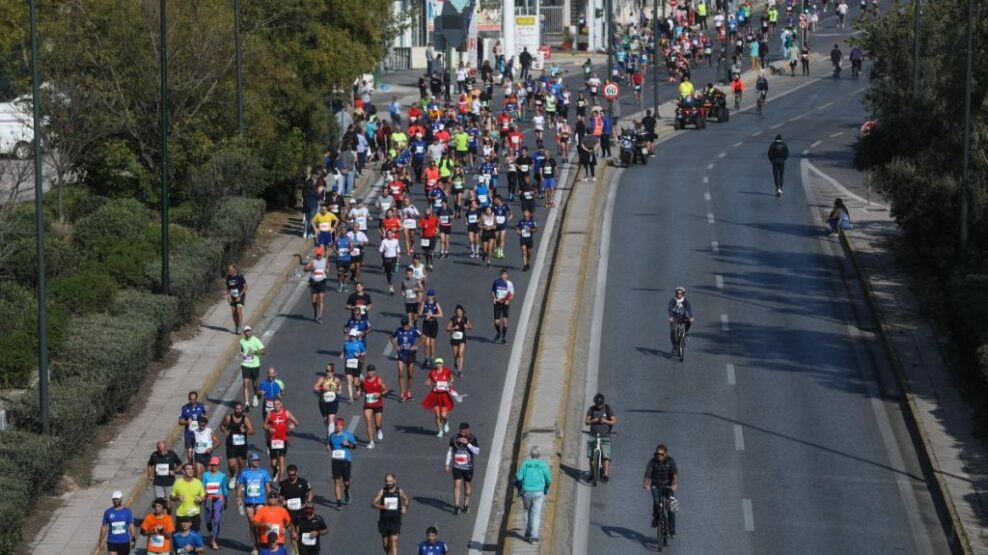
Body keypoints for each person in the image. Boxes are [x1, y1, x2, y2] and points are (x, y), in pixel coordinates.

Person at [515, 445, 551, 544]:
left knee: (527, 511)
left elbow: (519, 477)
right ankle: (534, 536)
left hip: (526, 492)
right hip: (539, 492)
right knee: (536, 514)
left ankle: (527, 533)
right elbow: (548, 479)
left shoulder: (525, 463)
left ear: (531, 454)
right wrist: (546, 487)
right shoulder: (543, 464)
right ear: (539, 454)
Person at [237, 452, 273, 553]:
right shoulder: (244, 473)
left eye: (258, 460)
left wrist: (270, 500)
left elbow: (267, 487)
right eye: (254, 460)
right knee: (252, 524)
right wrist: (238, 498)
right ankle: (255, 546)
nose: (256, 462)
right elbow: (240, 487)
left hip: (260, 501)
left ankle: (263, 543)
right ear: (250, 461)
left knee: (260, 524)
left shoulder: (263, 472)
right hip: (248, 502)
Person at [643, 444, 679, 536]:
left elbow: (674, 474)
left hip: (668, 486)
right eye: (658, 454)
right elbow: (647, 474)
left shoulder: (670, 461)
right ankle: (656, 518)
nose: (659, 455)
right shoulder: (652, 462)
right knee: (656, 502)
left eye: (662, 454)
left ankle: (672, 530)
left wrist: (674, 484)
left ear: (665, 454)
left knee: (671, 507)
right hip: (656, 485)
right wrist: (646, 484)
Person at [445, 422, 480, 514]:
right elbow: (450, 451)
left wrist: (467, 443)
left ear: (468, 430)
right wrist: (447, 464)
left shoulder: (472, 438)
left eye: (464, 432)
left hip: (468, 467)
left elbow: (477, 452)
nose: (462, 434)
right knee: (457, 484)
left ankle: (466, 505)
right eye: (461, 432)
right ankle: (456, 506)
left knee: (467, 485)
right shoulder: (454, 438)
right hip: (457, 466)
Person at [372, 473, 410, 555]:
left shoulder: (399, 491)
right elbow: (373, 504)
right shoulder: (383, 491)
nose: (389, 483)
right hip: (384, 522)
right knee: (386, 547)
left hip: (395, 522)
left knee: (394, 541)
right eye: (387, 481)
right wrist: (382, 507)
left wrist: (405, 507)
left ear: (395, 481)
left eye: (390, 481)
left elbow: (406, 499)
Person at [221, 402, 255, 489]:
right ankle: (232, 476)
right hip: (231, 445)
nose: (239, 410)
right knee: (232, 465)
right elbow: (222, 426)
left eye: (240, 408)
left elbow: (252, 431)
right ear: (234, 409)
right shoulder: (229, 418)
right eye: (237, 408)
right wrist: (225, 431)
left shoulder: (245, 419)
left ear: (242, 409)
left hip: (242, 446)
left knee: (241, 464)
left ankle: (239, 479)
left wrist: (245, 431)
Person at [263, 398, 299, 481]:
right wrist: (269, 428)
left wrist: (292, 425)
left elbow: (297, 422)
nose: (276, 406)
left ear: (281, 404)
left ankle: (281, 481)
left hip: (283, 439)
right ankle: (276, 469)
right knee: (273, 463)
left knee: (282, 460)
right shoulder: (270, 414)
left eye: (278, 404)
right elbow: (264, 425)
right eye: (275, 404)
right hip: (273, 439)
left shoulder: (286, 413)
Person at [585, 393, 617, 483]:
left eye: (600, 404)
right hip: (593, 435)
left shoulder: (607, 408)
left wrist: (605, 421)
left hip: (605, 435)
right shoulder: (591, 409)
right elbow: (586, 422)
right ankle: (592, 473)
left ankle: (605, 474)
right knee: (591, 457)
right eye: (597, 404)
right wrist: (593, 420)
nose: (599, 406)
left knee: (606, 456)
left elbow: (614, 421)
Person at [327, 417, 358, 508]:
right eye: (337, 425)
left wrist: (348, 444)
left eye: (340, 425)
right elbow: (330, 444)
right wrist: (328, 446)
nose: (338, 427)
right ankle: (339, 502)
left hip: (346, 460)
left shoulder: (347, 435)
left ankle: (346, 491)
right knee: (336, 482)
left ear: (343, 426)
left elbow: (355, 446)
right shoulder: (332, 435)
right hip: (335, 461)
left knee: (346, 482)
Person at [391, 318, 423, 401]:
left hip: (410, 354)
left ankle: (408, 391)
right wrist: (395, 346)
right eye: (403, 325)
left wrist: (417, 346)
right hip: (401, 354)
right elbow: (391, 337)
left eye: (406, 324)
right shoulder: (398, 330)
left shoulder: (414, 330)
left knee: (410, 374)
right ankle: (402, 392)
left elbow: (423, 337)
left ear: (408, 324)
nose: (404, 326)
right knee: (400, 373)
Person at [422, 357, 455, 437]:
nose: (438, 365)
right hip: (435, 395)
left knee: (443, 415)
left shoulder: (447, 371)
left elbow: (452, 379)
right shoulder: (432, 373)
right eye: (437, 363)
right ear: (435, 364)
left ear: (442, 364)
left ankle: (446, 422)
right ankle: (440, 431)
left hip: (444, 395)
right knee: (437, 415)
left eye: (440, 363)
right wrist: (427, 383)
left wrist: (449, 383)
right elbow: (428, 381)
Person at [201, 457, 228, 550]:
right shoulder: (205, 475)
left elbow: (224, 488)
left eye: (215, 465)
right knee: (208, 520)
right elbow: (202, 486)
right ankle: (211, 533)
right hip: (208, 499)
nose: (213, 466)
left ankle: (214, 540)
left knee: (216, 520)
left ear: (218, 465)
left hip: (219, 499)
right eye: (212, 465)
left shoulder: (223, 476)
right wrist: (204, 495)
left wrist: (226, 500)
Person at [98, 490, 136, 555]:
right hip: (112, 541)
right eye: (114, 499)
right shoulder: (108, 512)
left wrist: (133, 538)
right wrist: (101, 540)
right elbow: (104, 527)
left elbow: (131, 525)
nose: (115, 501)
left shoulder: (127, 512)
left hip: (124, 541)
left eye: (117, 499)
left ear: (121, 499)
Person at [146, 441, 182, 509]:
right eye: (160, 450)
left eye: (163, 450)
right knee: (160, 503)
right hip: (158, 483)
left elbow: (180, 464)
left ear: (166, 447)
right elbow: (149, 465)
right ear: (157, 448)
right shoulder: (154, 455)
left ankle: (168, 516)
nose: (162, 452)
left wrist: (175, 471)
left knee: (169, 504)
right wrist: (150, 474)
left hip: (170, 482)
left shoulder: (172, 454)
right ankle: (163, 518)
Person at [360, 364, 389, 448]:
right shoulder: (364, 380)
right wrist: (359, 391)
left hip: (377, 404)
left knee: (378, 423)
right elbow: (361, 389)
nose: (370, 372)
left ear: (374, 371)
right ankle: (371, 442)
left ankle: (378, 429)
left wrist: (380, 394)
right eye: (369, 371)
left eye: (372, 371)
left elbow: (386, 389)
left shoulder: (378, 380)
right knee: (368, 422)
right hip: (368, 404)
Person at [171, 462, 206, 532]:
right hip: (181, 514)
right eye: (188, 469)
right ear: (184, 471)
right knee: (180, 537)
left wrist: (201, 499)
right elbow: (172, 497)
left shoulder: (198, 482)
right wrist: (177, 498)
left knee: (194, 536)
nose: (191, 471)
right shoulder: (177, 482)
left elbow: (203, 496)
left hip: (194, 514)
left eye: (192, 469)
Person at [240, 326, 267, 410]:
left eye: (249, 331)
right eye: (246, 331)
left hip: (255, 365)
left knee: (255, 384)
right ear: (244, 333)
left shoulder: (256, 340)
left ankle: (255, 396)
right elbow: (242, 350)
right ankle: (247, 403)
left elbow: (264, 351)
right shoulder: (242, 341)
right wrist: (241, 354)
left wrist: (255, 351)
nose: (248, 332)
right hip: (245, 365)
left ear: (251, 331)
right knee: (245, 383)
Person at [178, 391, 207, 464]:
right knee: (189, 451)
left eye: (194, 399)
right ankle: (191, 465)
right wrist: (186, 422)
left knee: (199, 449)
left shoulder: (200, 406)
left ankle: (199, 464)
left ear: (196, 399)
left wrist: (204, 418)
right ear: (188, 399)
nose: (192, 401)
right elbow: (180, 421)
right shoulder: (185, 408)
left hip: (199, 433)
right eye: (191, 399)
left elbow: (205, 414)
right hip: (189, 434)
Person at [313, 364, 343, 432]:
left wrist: (337, 390)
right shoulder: (322, 379)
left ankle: (330, 437)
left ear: (333, 371)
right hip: (323, 401)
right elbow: (315, 387)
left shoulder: (336, 379)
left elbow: (340, 388)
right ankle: (328, 431)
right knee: (325, 419)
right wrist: (322, 388)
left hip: (333, 401)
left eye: (331, 371)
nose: (329, 373)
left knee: (331, 418)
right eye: (327, 371)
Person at [446, 305, 472, 377]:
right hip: (454, 338)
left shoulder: (465, 319)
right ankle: (455, 362)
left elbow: (471, 327)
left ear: (462, 312)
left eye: (460, 311)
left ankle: (459, 371)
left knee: (460, 353)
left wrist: (467, 327)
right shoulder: (453, 319)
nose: (459, 313)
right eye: (457, 312)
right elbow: (447, 328)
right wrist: (453, 328)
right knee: (455, 355)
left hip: (462, 338)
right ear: (456, 312)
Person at [419, 290, 444, 365]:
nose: (429, 297)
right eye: (428, 295)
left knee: (432, 344)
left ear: (433, 296)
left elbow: (441, 315)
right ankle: (426, 358)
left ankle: (432, 358)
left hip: (433, 324)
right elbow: (419, 314)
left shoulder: (436, 303)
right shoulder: (424, 303)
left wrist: (432, 315)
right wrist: (425, 314)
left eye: (431, 295)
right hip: (426, 324)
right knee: (426, 343)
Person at [491, 269, 515, 344]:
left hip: (505, 304)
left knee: (505, 321)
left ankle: (504, 338)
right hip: (498, 303)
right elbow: (492, 291)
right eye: (502, 274)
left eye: (505, 274)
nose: (503, 276)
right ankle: (499, 333)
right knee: (496, 322)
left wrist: (508, 300)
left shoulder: (509, 283)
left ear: (507, 275)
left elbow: (512, 294)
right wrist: (494, 298)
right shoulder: (496, 282)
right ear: (500, 275)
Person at [226, 264, 248, 334]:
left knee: (238, 311)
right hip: (232, 297)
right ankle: (236, 326)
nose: (230, 271)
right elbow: (227, 288)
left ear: (235, 269)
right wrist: (228, 296)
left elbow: (245, 287)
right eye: (229, 270)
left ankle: (240, 326)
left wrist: (239, 296)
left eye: (231, 270)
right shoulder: (228, 277)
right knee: (233, 312)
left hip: (240, 296)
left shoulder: (240, 277)